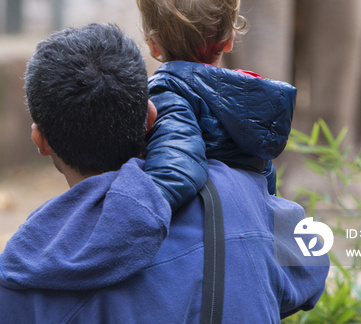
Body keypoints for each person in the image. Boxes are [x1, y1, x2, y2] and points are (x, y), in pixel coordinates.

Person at [0, 23, 329, 323]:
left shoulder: (24, 274)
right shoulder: (239, 197)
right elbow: (312, 268)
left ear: (40, 140)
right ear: (150, 118)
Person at [136, 0, 297, 211]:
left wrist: (123, 214)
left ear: (153, 45)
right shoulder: (252, 101)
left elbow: (174, 176)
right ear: (230, 40)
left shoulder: (166, 96)